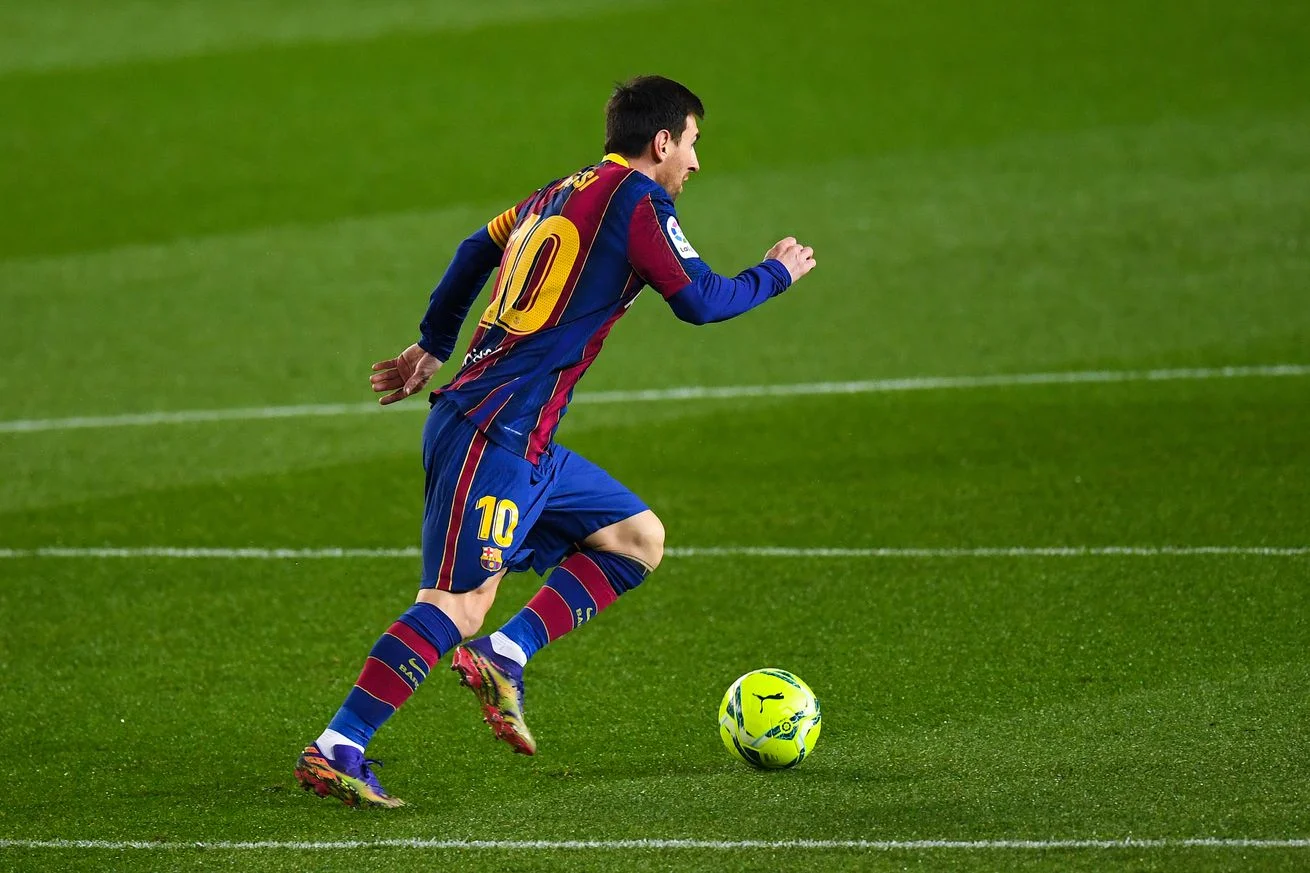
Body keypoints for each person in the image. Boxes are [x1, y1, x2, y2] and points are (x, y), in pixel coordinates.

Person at [294, 75, 817, 807]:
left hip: (522, 437)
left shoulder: (557, 192)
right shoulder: (637, 199)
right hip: (493, 434)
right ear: (661, 142)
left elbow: (475, 247)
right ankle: (337, 746)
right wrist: (776, 274)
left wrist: (435, 342)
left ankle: (505, 655)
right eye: (693, 144)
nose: (696, 162)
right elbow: (699, 300)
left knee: (636, 538)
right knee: (456, 603)